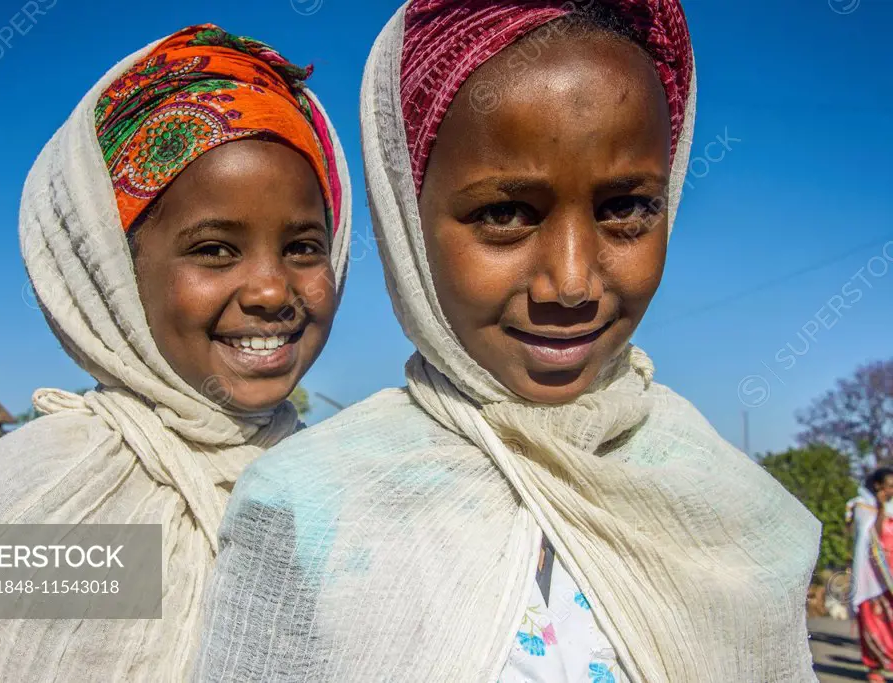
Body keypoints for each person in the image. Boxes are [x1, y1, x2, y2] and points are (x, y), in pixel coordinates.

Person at [195, 1, 821, 682]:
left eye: (626, 208)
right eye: (504, 213)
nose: (573, 281)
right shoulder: (307, 504)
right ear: (406, 215)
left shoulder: (737, 517)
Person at [0, 23, 351, 681]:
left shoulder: (336, 490)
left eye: (303, 246)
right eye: (214, 249)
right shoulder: (45, 493)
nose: (273, 289)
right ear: (114, 272)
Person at [848, 467, 893, 682]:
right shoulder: (862, 506)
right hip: (871, 578)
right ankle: (875, 668)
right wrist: (881, 508)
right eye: (890, 486)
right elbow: (870, 537)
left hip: (891, 576)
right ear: (878, 486)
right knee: (872, 622)